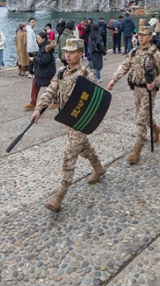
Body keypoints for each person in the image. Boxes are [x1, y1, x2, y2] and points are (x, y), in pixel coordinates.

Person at [30, 38, 106, 212]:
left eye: (72, 52)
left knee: (69, 155)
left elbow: (97, 100)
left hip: (80, 122)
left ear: (81, 54)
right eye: (66, 52)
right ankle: (99, 168)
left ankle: (59, 196)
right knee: (84, 148)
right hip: (67, 120)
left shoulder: (87, 76)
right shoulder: (61, 72)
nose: (68, 55)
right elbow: (51, 90)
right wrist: (39, 109)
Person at [107, 25, 160, 164]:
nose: (140, 37)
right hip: (136, 90)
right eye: (139, 35)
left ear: (150, 37)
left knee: (141, 120)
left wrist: (155, 82)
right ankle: (155, 128)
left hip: (148, 92)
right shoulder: (133, 52)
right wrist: (113, 79)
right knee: (144, 116)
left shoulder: (155, 55)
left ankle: (137, 149)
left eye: (144, 35)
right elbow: (124, 66)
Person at [24, 31, 57, 110]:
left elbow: (45, 60)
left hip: (46, 71)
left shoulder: (46, 48)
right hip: (41, 71)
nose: (37, 39)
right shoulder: (42, 47)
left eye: (38, 38)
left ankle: (55, 102)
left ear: (43, 39)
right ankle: (33, 103)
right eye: (37, 38)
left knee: (52, 87)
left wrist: (34, 59)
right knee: (35, 86)